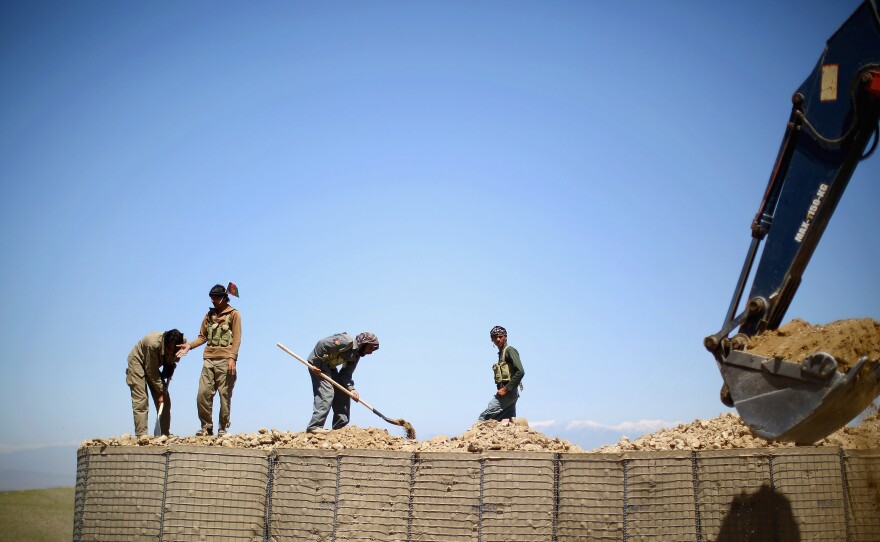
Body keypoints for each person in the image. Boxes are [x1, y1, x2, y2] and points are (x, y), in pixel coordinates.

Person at [176, 283, 241, 436]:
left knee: (224, 396)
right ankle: (206, 426)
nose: (213, 300)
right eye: (211, 297)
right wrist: (189, 346)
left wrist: (232, 358)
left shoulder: (234, 314)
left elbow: (237, 338)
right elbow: (202, 337)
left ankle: (222, 428)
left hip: (225, 360)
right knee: (203, 394)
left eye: (216, 297)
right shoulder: (209, 315)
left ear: (224, 297)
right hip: (209, 359)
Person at [305, 332, 380, 433]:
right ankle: (314, 426)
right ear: (364, 343)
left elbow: (345, 374)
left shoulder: (355, 355)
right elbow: (322, 344)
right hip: (318, 365)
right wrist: (316, 364)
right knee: (327, 393)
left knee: (344, 392)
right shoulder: (346, 342)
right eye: (370, 348)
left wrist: (352, 390)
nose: (370, 352)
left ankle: (340, 428)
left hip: (330, 368)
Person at [126, 329, 184, 437]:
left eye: (173, 351)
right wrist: (161, 392)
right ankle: (142, 435)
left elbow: (178, 355)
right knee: (141, 400)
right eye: (168, 350)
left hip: (153, 365)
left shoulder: (182, 343)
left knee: (165, 401)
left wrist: (171, 364)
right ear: (165, 344)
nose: (170, 353)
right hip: (138, 363)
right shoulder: (152, 344)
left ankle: (164, 434)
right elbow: (152, 373)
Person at [478, 325, 525, 421]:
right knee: (506, 422)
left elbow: (520, 372)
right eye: (495, 337)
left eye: (500, 336)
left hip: (508, 393)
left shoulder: (510, 350)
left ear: (505, 336)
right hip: (509, 394)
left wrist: (505, 389)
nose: (498, 339)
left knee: (484, 418)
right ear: (492, 340)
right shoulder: (502, 353)